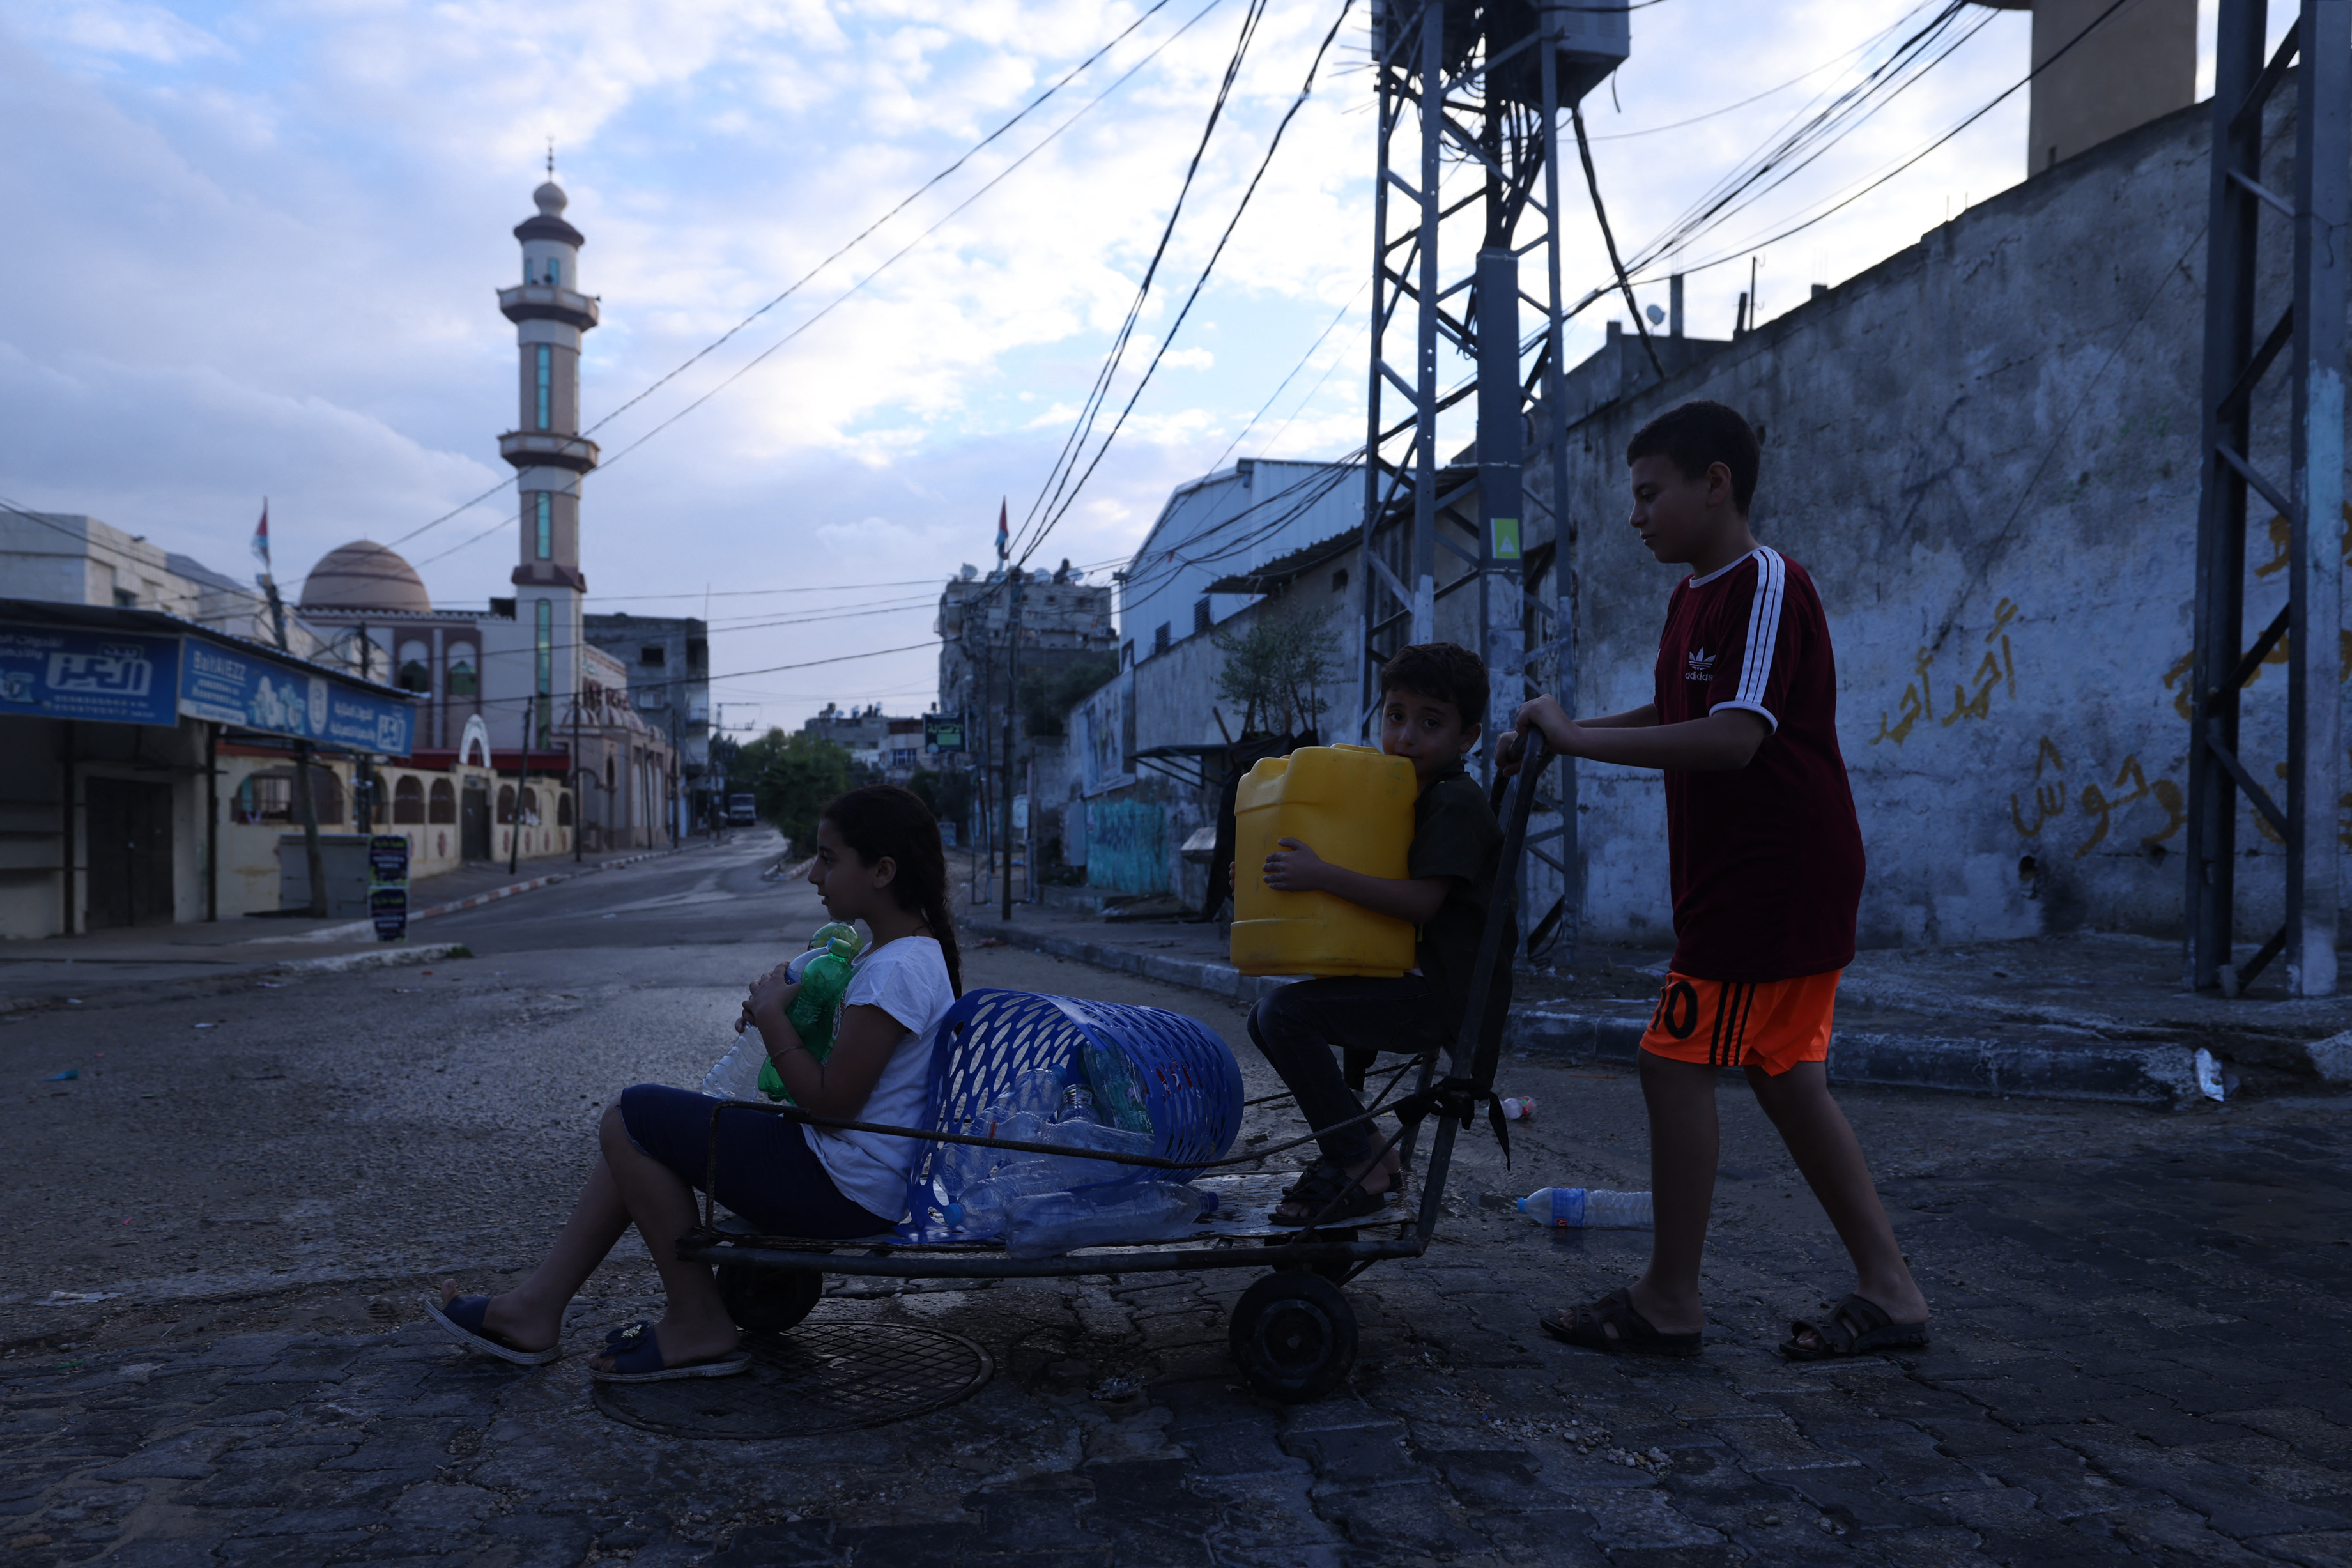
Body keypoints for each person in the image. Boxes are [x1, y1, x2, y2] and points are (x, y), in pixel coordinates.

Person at [1503, 398, 1927, 1360]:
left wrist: (1573, 740)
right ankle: (1891, 1289)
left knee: (1672, 1061)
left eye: (1650, 493)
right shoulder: (1691, 596)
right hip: (1744, 879)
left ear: (1715, 483)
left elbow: (1736, 737)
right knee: (1785, 1078)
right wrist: (1564, 732)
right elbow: (1679, 705)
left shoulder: (1766, 581)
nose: (1635, 514)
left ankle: (1669, 1298)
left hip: (1773, 879)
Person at [426, 784, 962, 1381]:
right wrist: (783, 1020)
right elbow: (845, 1077)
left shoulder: (898, 968)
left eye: (829, 859)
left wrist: (773, 1018)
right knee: (635, 1130)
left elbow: (833, 1104)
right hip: (846, 1170)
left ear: (882, 871)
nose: (813, 875)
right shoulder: (892, 959)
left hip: (845, 1185)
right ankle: (535, 1307)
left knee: (632, 1116)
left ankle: (696, 1319)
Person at [1243, 642, 1510, 1224]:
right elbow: (1345, 870)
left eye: (1430, 722)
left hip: (1439, 995)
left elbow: (1418, 900)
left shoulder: (1454, 803)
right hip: (1402, 975)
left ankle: (1355, 1163)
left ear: (1467, 738)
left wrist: (1320, 874)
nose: (1406, 736)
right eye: (1395, 716)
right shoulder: (1392, 797)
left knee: (1284, 1016)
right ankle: (1367, 1152)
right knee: (1265, 1016)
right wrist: (1269, 878)